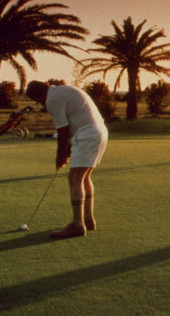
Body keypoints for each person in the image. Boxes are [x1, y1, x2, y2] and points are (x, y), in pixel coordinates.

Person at [25, 81, 109, 238]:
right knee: (84, 177)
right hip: (99, 132)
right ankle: (88, 220)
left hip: (87, 134)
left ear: (39, 96)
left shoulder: (52, 100)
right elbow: (72, 123)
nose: (41, 104)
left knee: (74, 177)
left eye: (37, 100)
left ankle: (77, 225)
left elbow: (62, 131)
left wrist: (60, 156)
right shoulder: (63, 90)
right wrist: (68, 148)